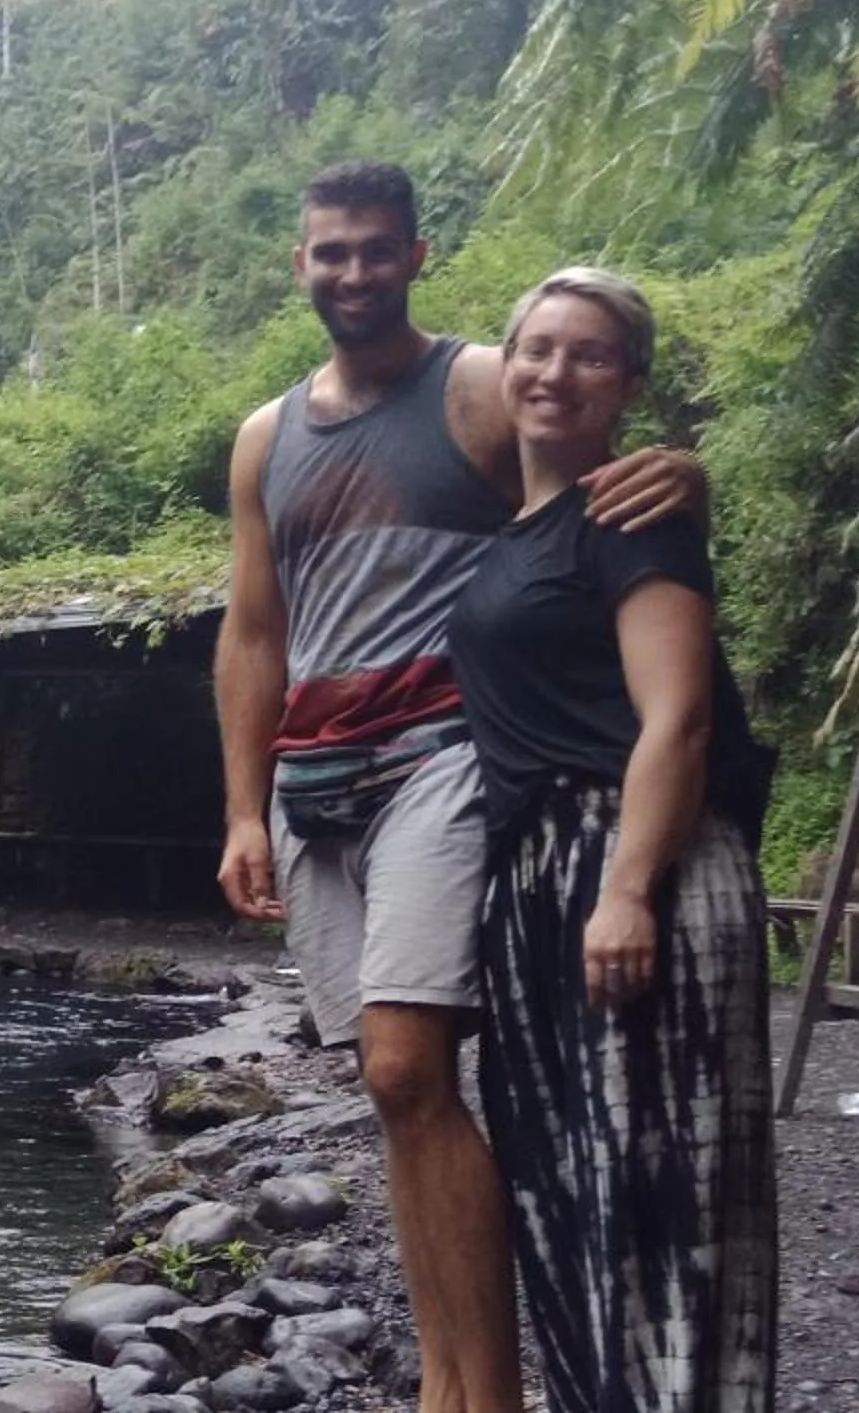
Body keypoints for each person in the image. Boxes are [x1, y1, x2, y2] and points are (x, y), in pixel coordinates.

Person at [213, 162, 705, 1413]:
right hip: (315, 782)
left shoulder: (479, 382)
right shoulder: (267, 437)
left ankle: (483, 1396)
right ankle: (451, 1379)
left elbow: (587, 450)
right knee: (400, 1094)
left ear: (418, 256)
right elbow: (255, 632)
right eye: (333, 252)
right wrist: (239, 806)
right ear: (300, 264)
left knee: (400, 1067)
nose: (355, 274)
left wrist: (682, 473)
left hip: (442, 757)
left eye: (379, 251)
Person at [446, 267, 778, 1412]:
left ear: (629, 384)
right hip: (538, 882)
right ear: (505, 365)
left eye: (591, 355)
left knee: (664, 1199)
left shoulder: (637, 512)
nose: (556, 372)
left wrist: (630, 886)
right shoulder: (512, 533)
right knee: (565, 1189)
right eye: (537, 347)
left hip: (639, 865)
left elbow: (678, 719)